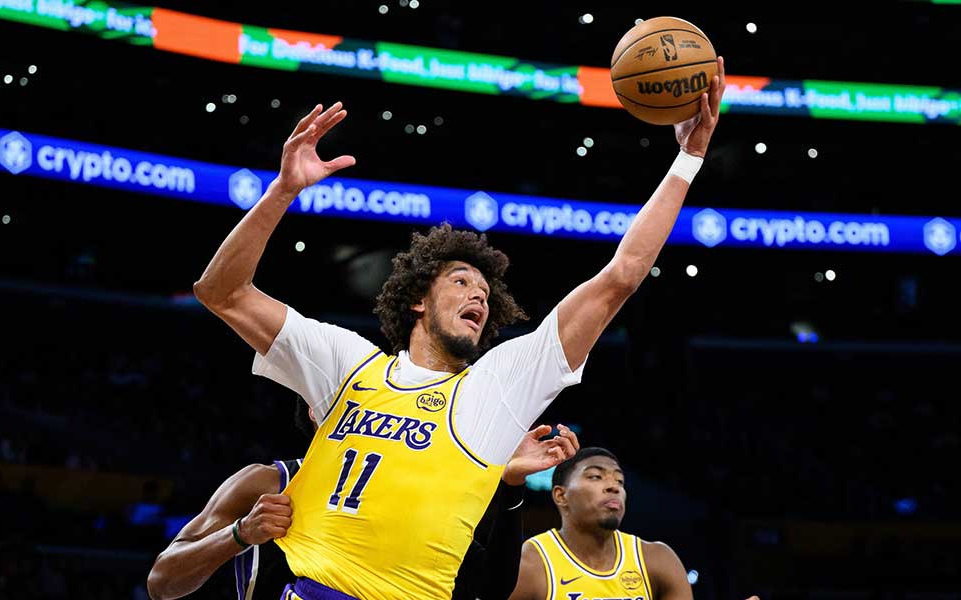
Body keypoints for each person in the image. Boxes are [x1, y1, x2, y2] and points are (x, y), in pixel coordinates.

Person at [193, 58, 726, 600]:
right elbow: (222, 293)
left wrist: (688, 158)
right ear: (419, 299)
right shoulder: (347, 362)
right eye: (463, 281)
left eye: (486, 294)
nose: (479, 294)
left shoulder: (494, 389)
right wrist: (281, 191)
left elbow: (620, 278)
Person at [146, 401, 579, 600]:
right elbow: (162, 582)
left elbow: (492, 587)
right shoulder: (266, 482)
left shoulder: (417, 492)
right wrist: (239, 535)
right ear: (320, 411)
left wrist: (509, 486)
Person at [508, 448, 759, 600]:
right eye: (595, 476)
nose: (613, 486)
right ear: (561, 496)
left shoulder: (657, 559)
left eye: (619, 481)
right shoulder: (531, 564)